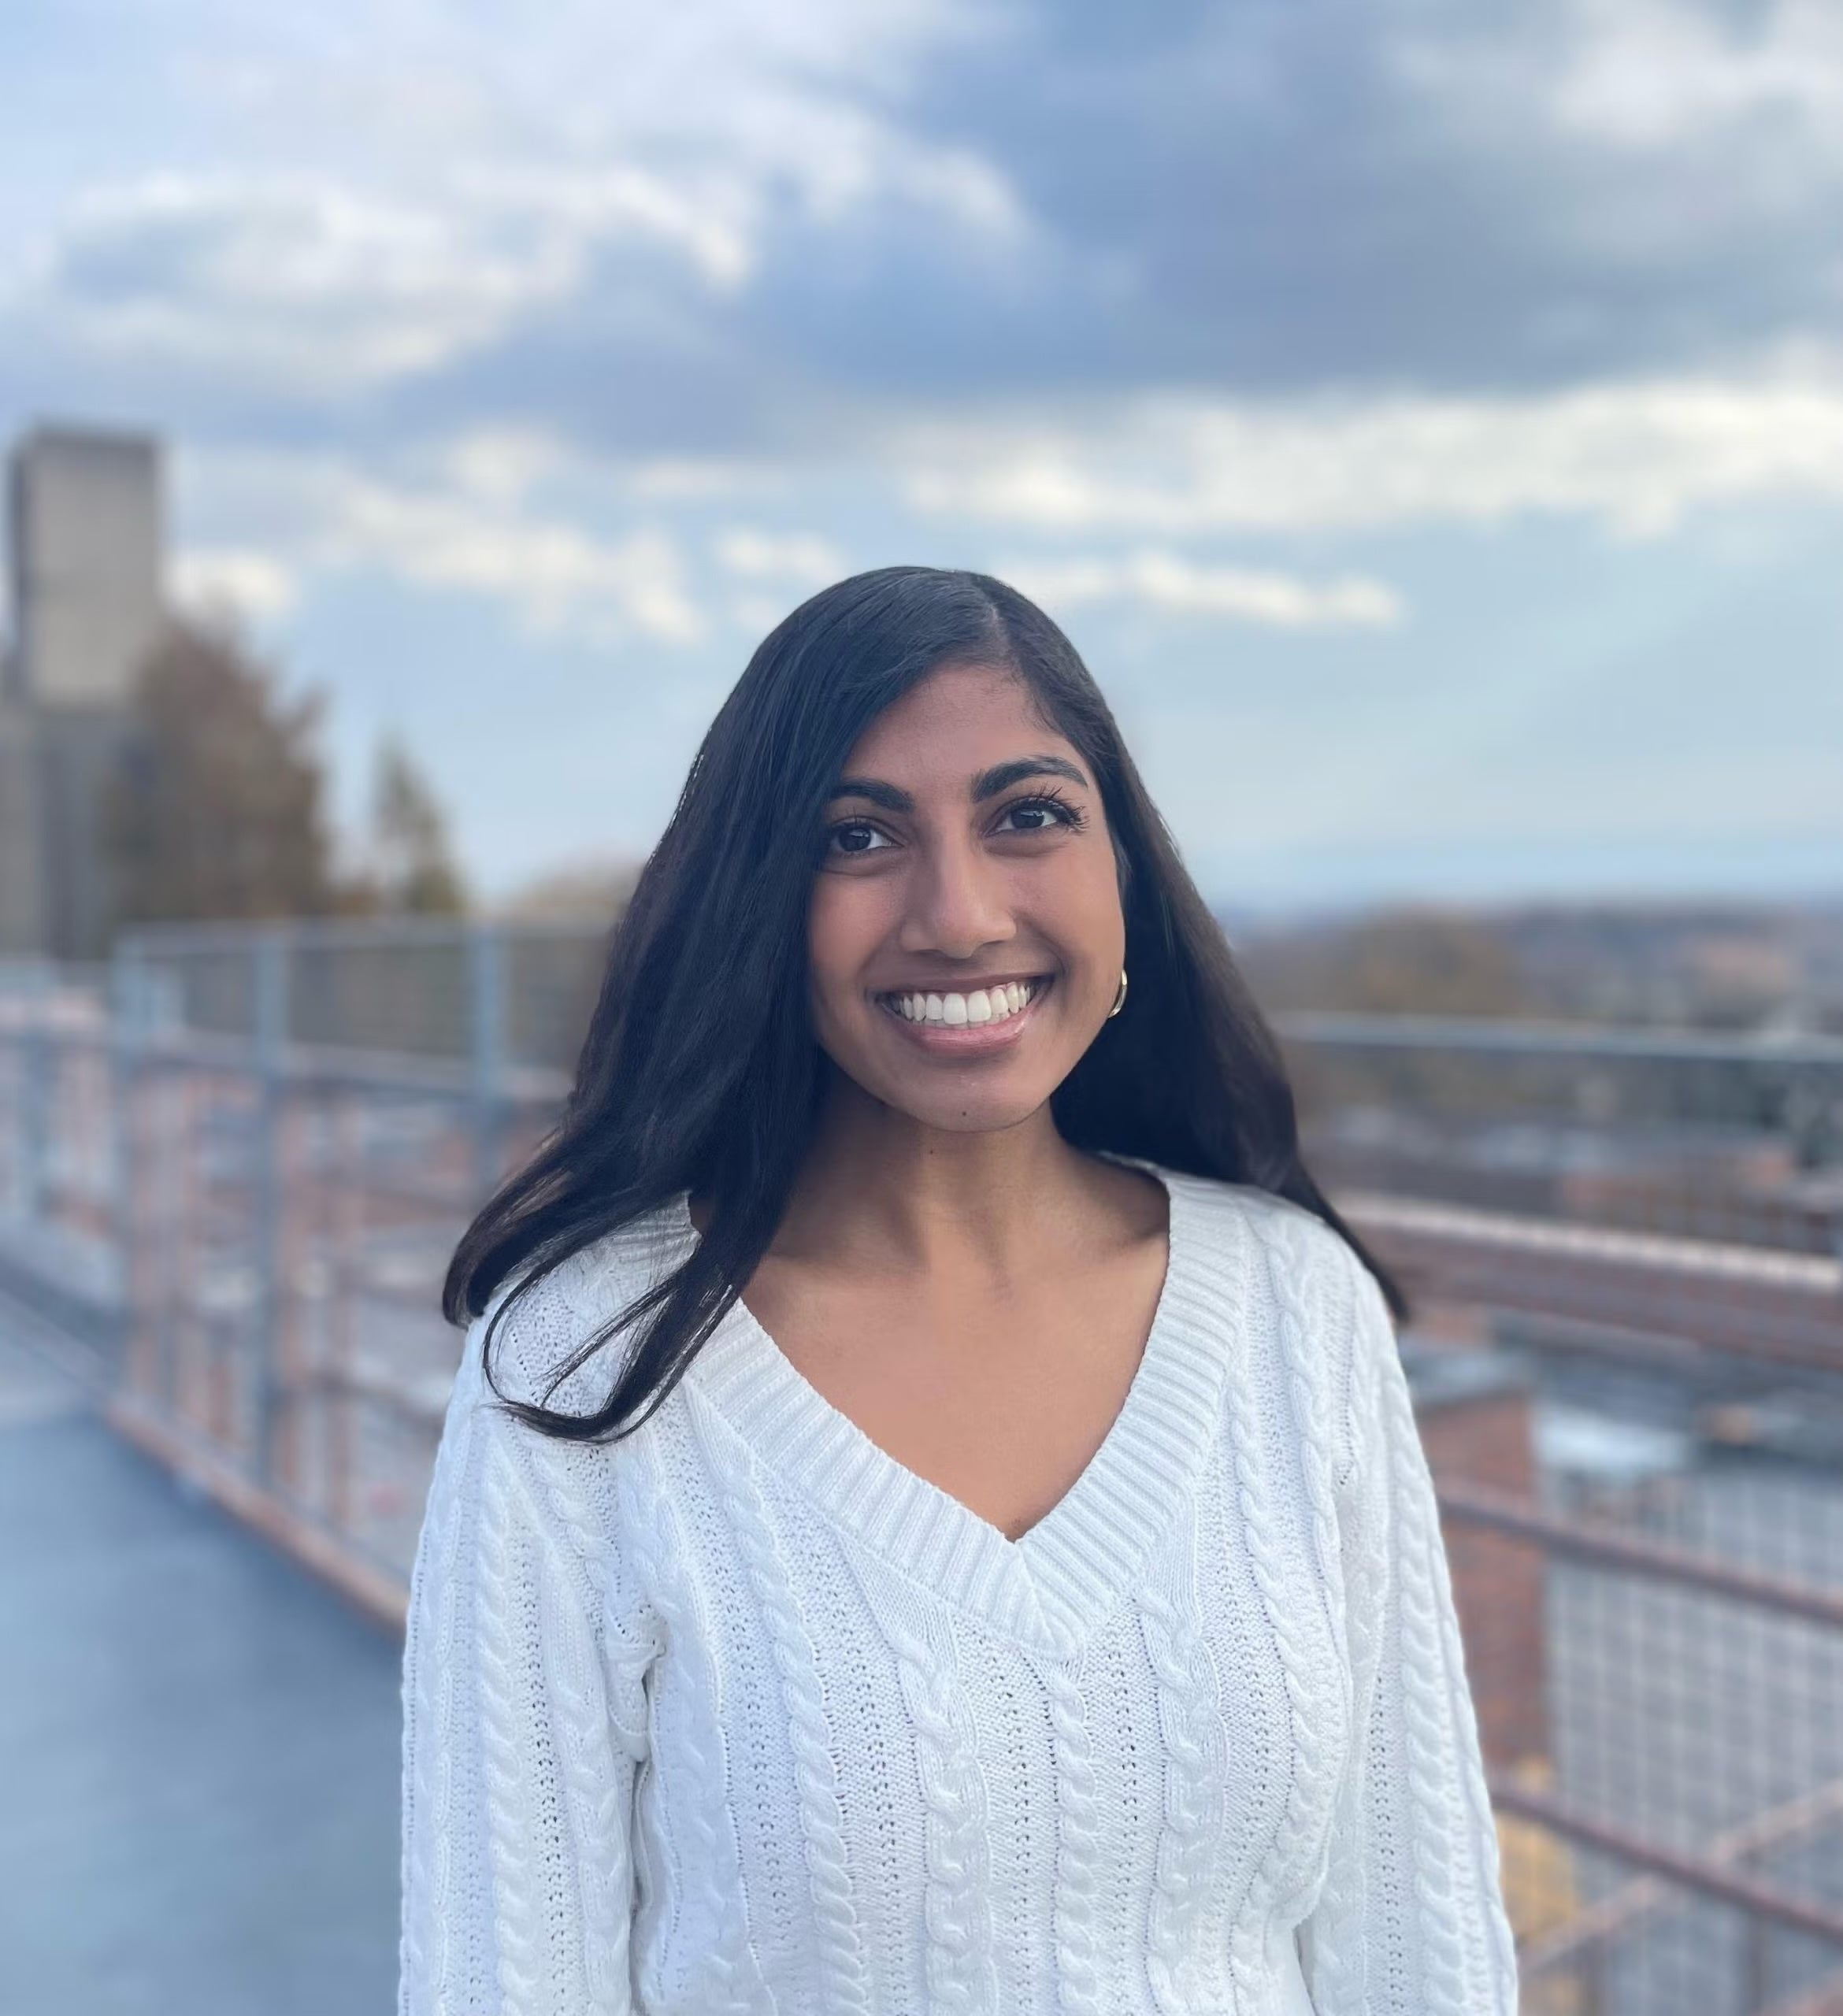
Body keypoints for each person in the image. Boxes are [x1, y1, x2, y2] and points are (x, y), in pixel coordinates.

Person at [399, 566, 1520, 2014]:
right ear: (761, 905)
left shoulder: (1297, 1314)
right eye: (857, 838)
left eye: (1029, 816)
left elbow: (1418, 1947)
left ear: (1124, 868)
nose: (961, 912)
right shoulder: (579, 1366)